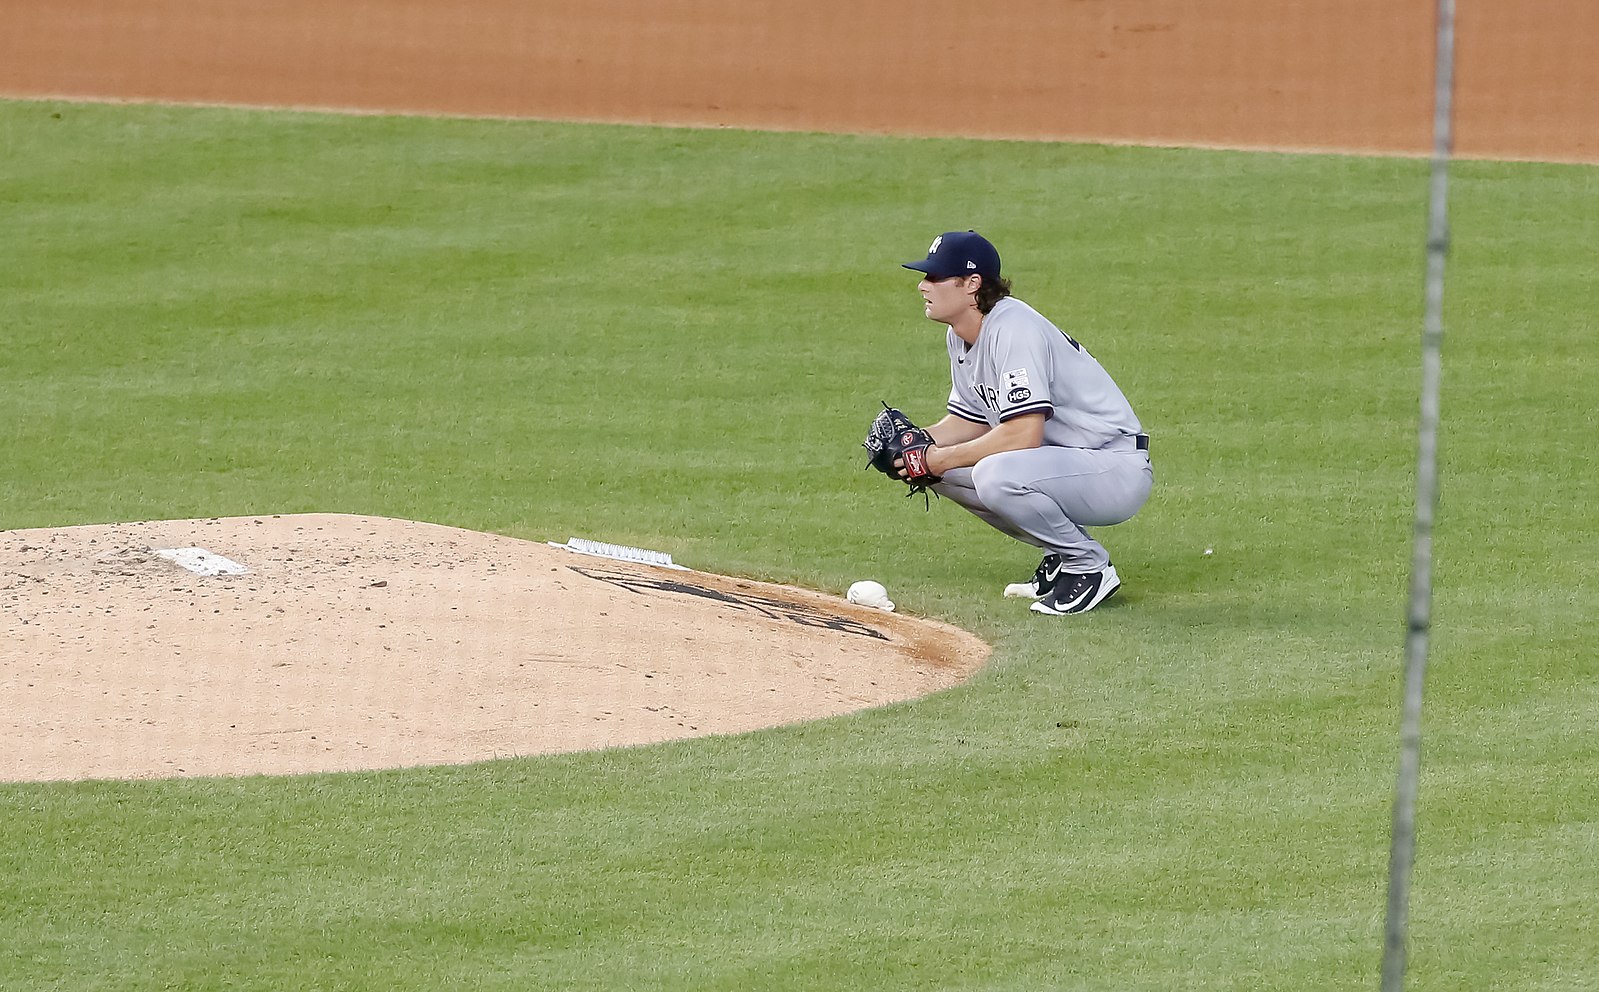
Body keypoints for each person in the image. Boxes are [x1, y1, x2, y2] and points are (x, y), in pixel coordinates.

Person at [898, 230, 1153, 615]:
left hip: (1113, 468)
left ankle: (1089, 567)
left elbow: (1023, 432)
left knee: (993, 474)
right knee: (941, 471)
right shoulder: (960, 334)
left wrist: (939, 457)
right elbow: (969, 420)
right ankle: (1062, 555)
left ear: (972, 285)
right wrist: (915, 445)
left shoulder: (1013, 328)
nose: (922, 285)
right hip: (1064, 463)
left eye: (935, 277)